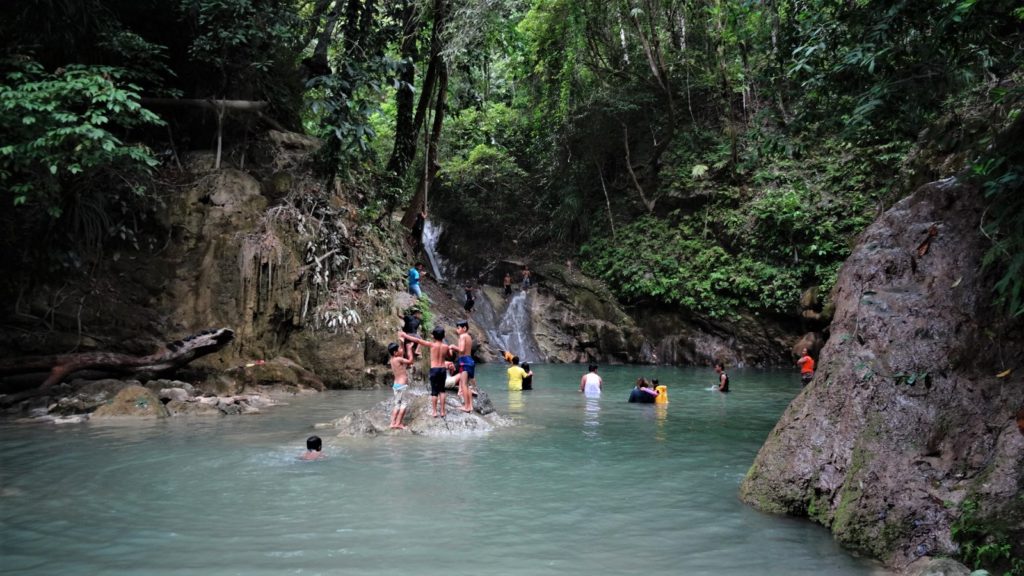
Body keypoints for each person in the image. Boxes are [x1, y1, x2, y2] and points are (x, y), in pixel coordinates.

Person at [401, 326, 457, 417]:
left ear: (433, 336)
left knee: (434, 391)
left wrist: (405, 336)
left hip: (434, 370)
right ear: (443, 336)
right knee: (442, 391)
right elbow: (449, 356)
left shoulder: (431, 345)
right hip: (442, 369)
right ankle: (443, 412)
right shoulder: (446, 346)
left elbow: (418, 341)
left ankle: (434, 412)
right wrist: (450, 350)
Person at [388, 342, 414, 430]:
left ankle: (392, 423)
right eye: (399, 349)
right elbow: (410, 361)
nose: (401, 350)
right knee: (404, 404)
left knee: (397, 405)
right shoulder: (399, 359)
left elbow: (403, 359)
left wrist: (403, 345)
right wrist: (410, 349)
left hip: (396, 385)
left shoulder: (392, 360)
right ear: (395, 353)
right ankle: (398, 423)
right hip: (402, 385)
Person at [453, 320, 476, 413]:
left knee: (463, 385)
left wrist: (453, 347)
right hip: (470, 360)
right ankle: (470, 406)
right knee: (468, 385)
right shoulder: (469, 337)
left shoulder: (462, 336)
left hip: (464, 362)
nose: (457, 330)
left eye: (458, 328)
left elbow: (461, 350)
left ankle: (466, 407)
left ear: (464, 328)